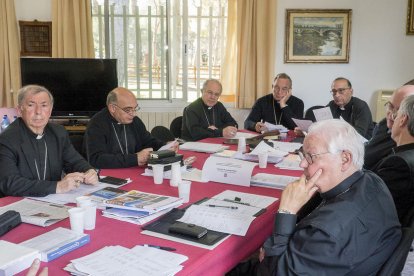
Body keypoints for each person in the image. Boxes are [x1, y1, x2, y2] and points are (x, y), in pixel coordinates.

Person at [229, 119, 401, 275]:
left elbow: (272, 271)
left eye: (311, 157)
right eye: (303, 155)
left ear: (345, 159)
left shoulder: (327, 234)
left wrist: (286, 212)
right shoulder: (372, 180)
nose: (302, 163)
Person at [0, 85, 98, 197]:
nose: (38, 112)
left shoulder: (58, 133)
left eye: (44, 105)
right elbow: (9, 183)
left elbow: (75, 162)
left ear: (50, 110)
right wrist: (57, 186)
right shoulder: (7, 139)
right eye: (31, 105)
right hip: (16, 203)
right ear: (19, 110)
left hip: (52, 200)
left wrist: (89, 171)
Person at [86, 87, 177, 169]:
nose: (133, 114)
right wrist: (135, 158)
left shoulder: (135, 121)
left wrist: (165, 145)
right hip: (110, 175)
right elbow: (96, 159)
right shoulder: (96, 125)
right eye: (128, 110)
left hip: (134, 171)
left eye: (135, 108)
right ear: (112, 108)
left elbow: (148, 142)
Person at [372, 95, 414, 224]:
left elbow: (372, 205)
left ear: (402, 119)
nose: (391, 118)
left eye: (397, 114)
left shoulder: (398, 163)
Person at [364, 85, 414, 170]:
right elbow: (370, 145)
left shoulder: (403, 142)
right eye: (390, 106)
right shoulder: (384, 123)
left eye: (398, 110)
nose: (390, 114)